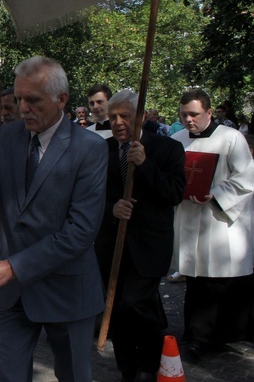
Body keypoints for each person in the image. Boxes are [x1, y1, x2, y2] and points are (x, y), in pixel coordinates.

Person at [0, 55, 107, 382]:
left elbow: (80, 232)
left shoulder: (89, 149)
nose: (23, 107)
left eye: (33, 99)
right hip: (12, 294)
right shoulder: (9, 137)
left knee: (73, 376)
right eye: (18, 98)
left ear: (62, 99)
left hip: (67, 289)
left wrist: (14, 266)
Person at [93, 91, 186, 382]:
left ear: (141, 116)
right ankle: (127, 368)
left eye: (125, 116)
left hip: (149, 245)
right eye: (113, 118)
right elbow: (91, 196)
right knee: (116, 306)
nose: (118, 123)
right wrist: (112, 208)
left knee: (134, 302)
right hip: (112, 247)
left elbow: (173, 193)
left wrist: (145, 165)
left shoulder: (167, 149)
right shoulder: (101, 150)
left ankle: (149, 362)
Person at [170, 89, 254, 359]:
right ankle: (193, 333)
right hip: (188, 215)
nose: (188, 120)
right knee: (194, 279)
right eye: (183, 115)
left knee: (217, 280)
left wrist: (216, 194)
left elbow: (247, 178)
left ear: (208, 111)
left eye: (193, 114)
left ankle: (207, 337)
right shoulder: (176, 140)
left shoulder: (231, 138)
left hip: (219, 219)